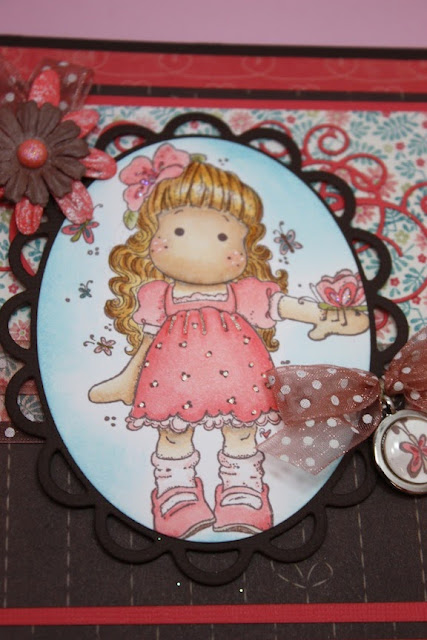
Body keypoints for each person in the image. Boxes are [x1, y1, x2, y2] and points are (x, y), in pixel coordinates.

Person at [89, 157, 368, 539]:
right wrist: (126, 381)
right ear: (153, 237)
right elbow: (145, 344)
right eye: (180, 229)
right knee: (173, 433)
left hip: (239, 376)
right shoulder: (158, 296)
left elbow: (285, 305)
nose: (202, 246)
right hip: (173, 379)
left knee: (242, 431)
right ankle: (176, 493)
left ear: (243, 247)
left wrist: (327, 316)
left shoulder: (243, 293)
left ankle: (243, 491)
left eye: (223, 237)